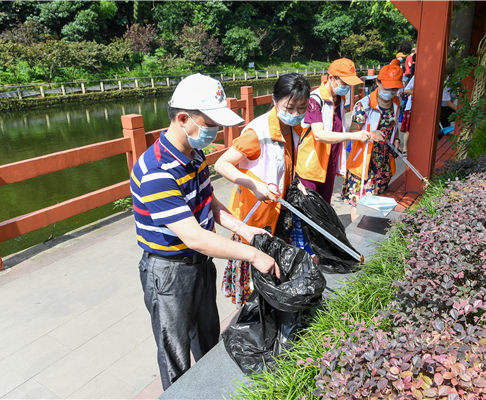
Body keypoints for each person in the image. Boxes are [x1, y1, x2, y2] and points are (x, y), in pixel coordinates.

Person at [130, 73, 280, 390]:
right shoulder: (156, 170)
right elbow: (194, 236)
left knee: (208, 339)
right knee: (175, 354)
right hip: (169, 272)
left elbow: (205, 200)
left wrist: (242, 228)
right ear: (183, 118)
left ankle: (210, 390)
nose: (216, 130)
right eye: (210, 121)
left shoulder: (194, 154)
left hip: (200, 264)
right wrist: (252, 254)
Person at [215, 73, 310, 308]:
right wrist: (253, 185)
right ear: (275, 100)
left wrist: (297, 183)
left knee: (274, 266)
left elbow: (287, 164)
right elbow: (221, 164)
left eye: (302, 108)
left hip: (279, 212)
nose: (296, 113)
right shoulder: (257, 132)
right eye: (290, 107)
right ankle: (250, 314)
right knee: (253, 271)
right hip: (254, 215)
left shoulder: (294, 127)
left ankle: (272, 308)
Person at [296, 58, 370, 203]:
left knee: (325, 207)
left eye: (350, 84)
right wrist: (353, 136)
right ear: (331, 78)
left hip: (330, 162)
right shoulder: (314, 100)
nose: (347, 87)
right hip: (312, 163)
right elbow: (319, 135)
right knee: (309, 209)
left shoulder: (340, 100)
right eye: (345, 83)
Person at [342, 59, 404, 222]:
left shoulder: (396, 103)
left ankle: (371, 231)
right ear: (377, 81)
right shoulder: (364, 105)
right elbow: (353, 132)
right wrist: (370, 134)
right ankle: (355, 237)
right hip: (364, 161)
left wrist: (396, 138)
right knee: (359, 200)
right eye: (387, 86)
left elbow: (394, 125)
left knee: (378, 197)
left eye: (395, 88)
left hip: (383, 160)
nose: (391, 91)